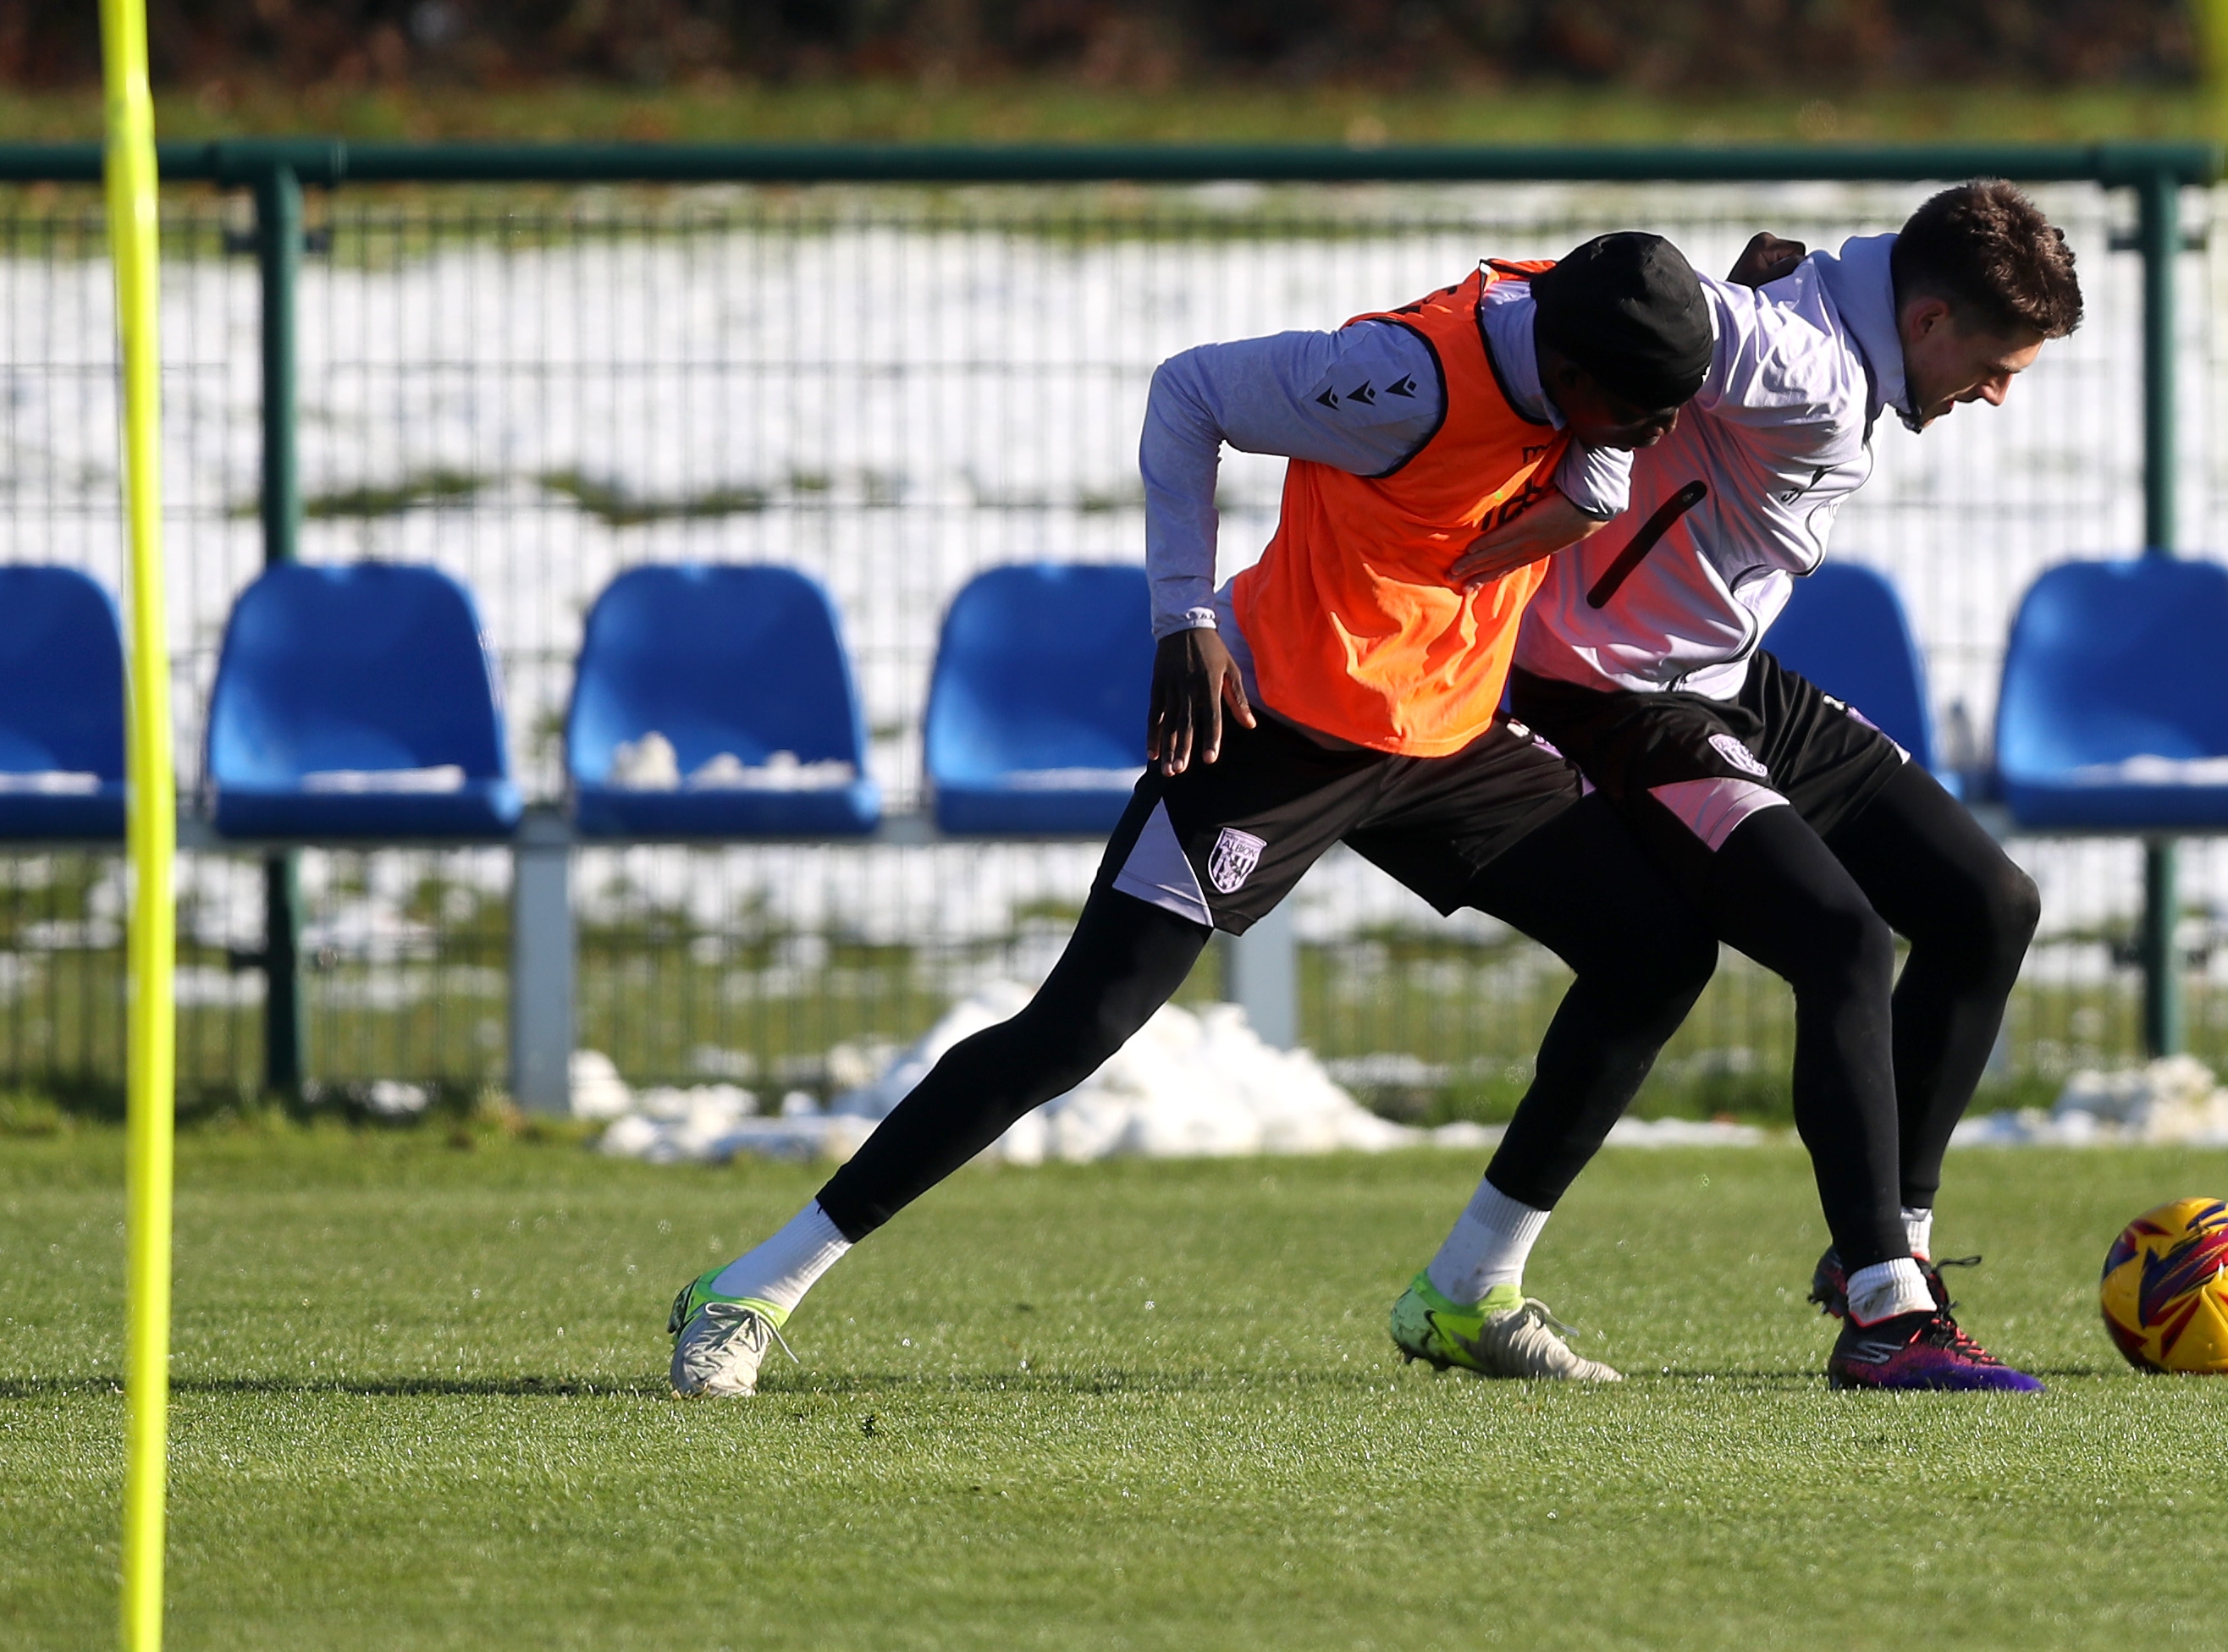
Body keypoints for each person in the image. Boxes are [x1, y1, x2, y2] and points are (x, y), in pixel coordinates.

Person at [668, 233, 1724, 1397]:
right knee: (1076, 1027)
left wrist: (1592, 478)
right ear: (1575, 375)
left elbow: (1613, 437)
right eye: (1639, 415)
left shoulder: (1596, 341)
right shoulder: (1402, 381)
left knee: (1657, 947)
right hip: (1273, 731)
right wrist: (1184, 619)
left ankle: (1471, 1289)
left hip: (1444, 734)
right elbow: (1189, 390)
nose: (1656, 436)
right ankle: (750, 1287)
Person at [1390, 180, 2083, 1391]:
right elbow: (1631, 309)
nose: (1997, 392)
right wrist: (1696, 300)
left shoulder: (1839, 312)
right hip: (1617, 697)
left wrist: (1739, 288)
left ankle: (1888, 1247)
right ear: (1926, 322)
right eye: (1994, 364)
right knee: (1840, 943)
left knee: (1987, 904)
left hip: (1725, 675)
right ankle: (1883, 1313)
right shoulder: (1806, 361)